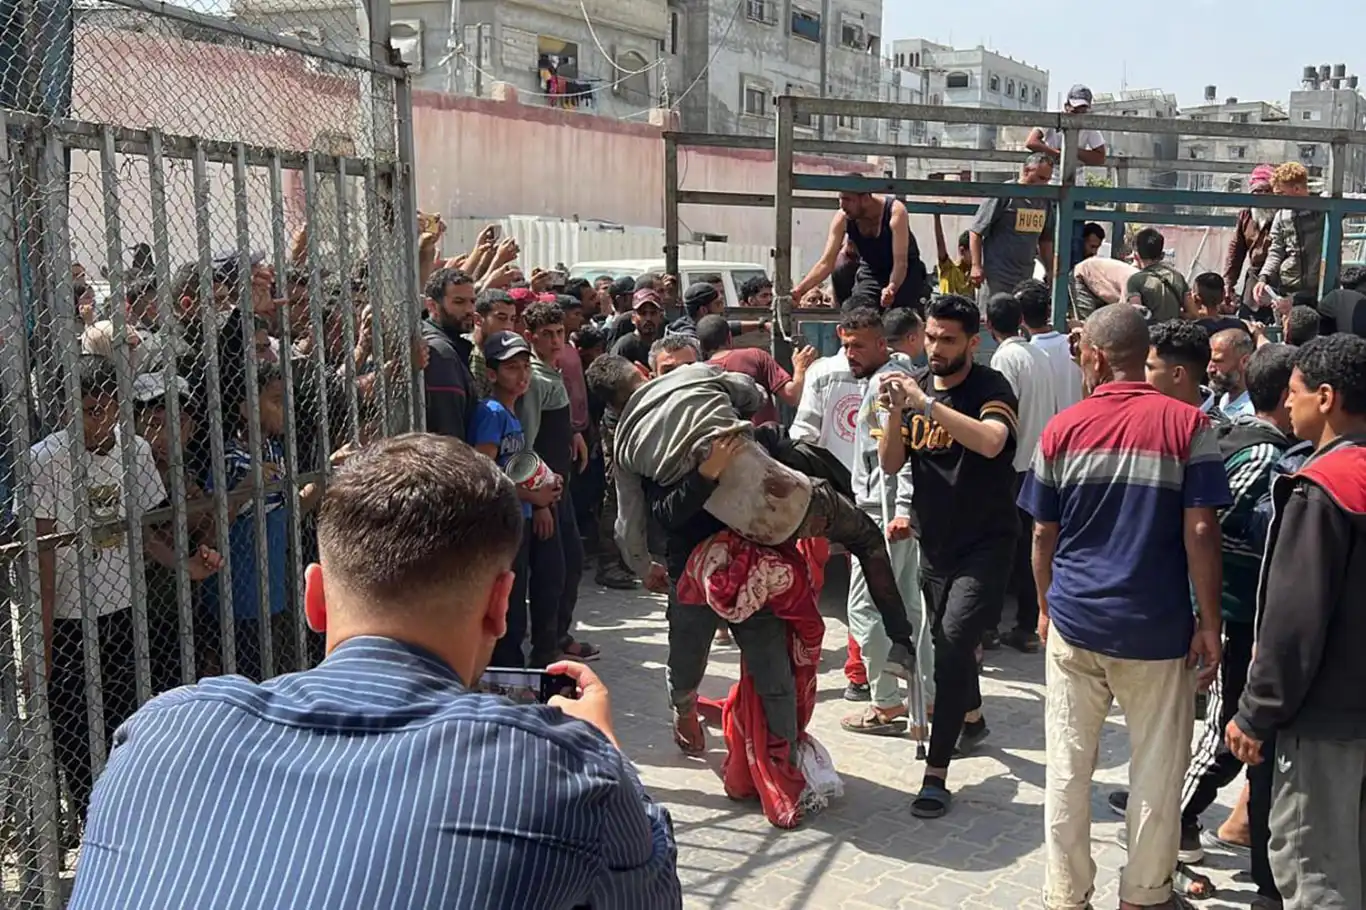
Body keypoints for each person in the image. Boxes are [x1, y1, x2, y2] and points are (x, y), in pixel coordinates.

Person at [69, 434, 683, 909]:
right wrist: (604, 752)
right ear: (500, 605)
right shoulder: (561, 771)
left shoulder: (161, 733)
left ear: (314, 599)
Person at [1019, 304, 1230, 910]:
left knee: (1067, 768)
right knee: (1157, 772)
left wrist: (1045, 606)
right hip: (1156, 629)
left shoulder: (1062, 429)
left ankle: (1066, 895)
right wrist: (1209, 622)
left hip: (1076, 623)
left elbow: (1042, 534)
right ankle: (1142, 894)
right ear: (1145, 356)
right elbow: (1201, 531)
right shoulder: (1189, 425)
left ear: (1094, 354)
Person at [587, 354, 918, 673]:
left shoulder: (625, 449)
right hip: (796, 502)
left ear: (611, 407)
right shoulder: (693, 375)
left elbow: (627, 526)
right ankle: (901, 643)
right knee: (867, 540)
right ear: (641, 370)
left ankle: (692, 695)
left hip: (742, 533)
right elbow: (754, 394)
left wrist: (644, 567)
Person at [1110, 344, 1296, 889]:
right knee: (1225, 727)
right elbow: (1210, 525)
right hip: (1234, 610)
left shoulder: (1233, 436)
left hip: (1229, 608)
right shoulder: (1262, 455)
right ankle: (1170, 817)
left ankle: (1176, 816)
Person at [30, 356, 220, 828]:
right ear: (68, 411)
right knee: (76, 734)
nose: (98, 422)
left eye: (107, 409)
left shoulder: (133, 450)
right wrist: (42, 644)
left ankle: (126, 818)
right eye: (87, 411)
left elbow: (143, 532)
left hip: (123, 609)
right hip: (71, 619)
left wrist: (186, 565)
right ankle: (89, 821)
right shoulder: (47, 460)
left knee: (125, 721)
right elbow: (44, 558)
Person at [1227, 334, 1366, 910]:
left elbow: (1294, 619)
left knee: (1316, 873)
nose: (1286, 403)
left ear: (1326, 398)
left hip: (1326, 719)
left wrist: (1256, 712)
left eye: (1294, 391)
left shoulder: (1323, 488)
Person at [877, 294, 1021, 819]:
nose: (936, 348)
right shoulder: (914, 386)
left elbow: (992, 442)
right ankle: (973, 717)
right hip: (934, 543)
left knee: (955, 641)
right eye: (932, 337)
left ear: (972, 343)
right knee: (947, 642)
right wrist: (896, 411)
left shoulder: (990, 387)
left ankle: (935, 772)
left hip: (988, 543)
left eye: (948, 340)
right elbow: (891, 463)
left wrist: (924, 403)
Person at [834, 308, 927, 736]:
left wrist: (903, 508)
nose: (850, 353)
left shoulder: (885, 385)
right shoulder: (893, 376)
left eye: (858, 346)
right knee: (909, 605)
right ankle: (927, 693)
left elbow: (901, 455)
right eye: (846, 345)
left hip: (883, 512)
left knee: (864, 608)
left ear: (880, 344)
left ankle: (887, 701)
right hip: (887, 508)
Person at [470, 331, 563, 668]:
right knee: (506, 603)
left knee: (519, 594)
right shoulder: (491, 412)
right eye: (511, 368)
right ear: (492, 374)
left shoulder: (510, 414)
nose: (522, 374)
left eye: (525, 366)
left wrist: (544, 481)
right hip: (501, 520)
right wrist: (532, 496)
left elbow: (515, 465)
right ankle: (502, 672)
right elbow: (484, 472)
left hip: (519, 515)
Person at [518, 301, 593, 666]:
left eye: (559, 333)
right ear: (530, 337)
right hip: (544, 494)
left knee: (572, 563)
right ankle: (546, 648)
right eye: (546, 334)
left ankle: (560, 635)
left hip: (559, 490)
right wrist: (540, 503)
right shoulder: (534, 381)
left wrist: (573, 435)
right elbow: (526, 446)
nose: (554, 340)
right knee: (551, 573)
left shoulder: (551, 373)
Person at [985, 292, 1058, 653]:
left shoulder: (1004, 359)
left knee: (999, 550)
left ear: (988, 325)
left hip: (1012, 468)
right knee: (1031, 548)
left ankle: (989, 628)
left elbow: (1002, 414)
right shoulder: (1039, 355)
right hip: (1038, 465)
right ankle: (1026, 626)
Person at [792, 180, 928, 312]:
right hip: (871, 272)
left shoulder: (895, 211)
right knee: (858, 314)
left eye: (847, 199)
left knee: (900, 319)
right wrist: (799, 291)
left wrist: (892, 287)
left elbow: (901, 263)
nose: (842, 205)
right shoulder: (843, 217)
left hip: (905, 274)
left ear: (866, 198)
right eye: (840, 198)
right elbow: (826, 263)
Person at [697, 314, 815, 425]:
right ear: (729, 338)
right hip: (761, 437)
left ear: (701, 346)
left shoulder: (698, 374)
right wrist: (800, 367)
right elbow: (792, 395)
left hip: (723, 439)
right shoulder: (755, 356)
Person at [968, 154, 1056, 300]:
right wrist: (976, 266)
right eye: (1041, 178)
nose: (1044, 184)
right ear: (1026, 171)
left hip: (1025, 278)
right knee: (994, 311)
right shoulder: (1004, 193)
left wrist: (1050, 269)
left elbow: (1045, 240)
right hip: (997, 276)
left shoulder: (1044, 201)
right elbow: (976, 231)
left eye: (1047, 179)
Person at [421, 266, 478, 441]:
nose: (469, 310)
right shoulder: (440, 352)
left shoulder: (450, 344)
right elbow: (448, 431)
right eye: (459, 302)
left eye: (472, 301)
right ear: (432, 306)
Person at [1255, 162, 1324, 305]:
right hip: (1290, 288)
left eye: (1281, 194)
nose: (1279, 200)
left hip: (1320, 287)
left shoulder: (1323, 207)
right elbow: (1276, 251)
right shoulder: (1281, 216)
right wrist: (1264, 277)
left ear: (1297, 189)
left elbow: (1352, 202)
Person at [1016, 279, 1084, 413]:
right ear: (1049, 310)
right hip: (1080, 421)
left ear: (1020, 319)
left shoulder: (1023, 356)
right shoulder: (1076, 346)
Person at [1146, 319, 1228, 423]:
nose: (1141, 375)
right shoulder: (1143, 417)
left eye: (1149, 367)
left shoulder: (1216, 429)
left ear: (1177, 374)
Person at [1224, 164, 1278, 319]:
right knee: (1247, 320)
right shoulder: (1246, 215)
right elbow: (1236, 250)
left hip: (1279, 277)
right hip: (1254, 277)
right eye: (1257, 191)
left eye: (1267, 190)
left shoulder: (1282, 214)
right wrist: (1228, 282)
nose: (1262, 196)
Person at [1125, 228, 1188, 324]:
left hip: (1151, 332)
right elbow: (1193, 314)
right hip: (1175, 331)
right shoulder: (1177, 276)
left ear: (1136, 256)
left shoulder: (1135, 281)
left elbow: (1137, 317)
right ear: (1162, 255)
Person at [467, 288, 518, 401]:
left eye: (512, 319)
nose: (508, 326)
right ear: (478, 320)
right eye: (501, 318)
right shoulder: (464, 351)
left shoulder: (507, 352)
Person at [1069, 255, 1140, 320]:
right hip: (1082, 275)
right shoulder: (1131, 281)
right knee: (1088, 321)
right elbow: (1123, 313)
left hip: (1103, 283)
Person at [1208, 327, 1257, 418]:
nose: (1210, 369)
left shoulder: (1253, 411)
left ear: (1244, 361)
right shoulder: (1225, 400)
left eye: (1218, 361)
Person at [611, 287, 664, 367]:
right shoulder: (625, 346)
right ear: (633, 318)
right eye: (643, 313)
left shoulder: (663, 344)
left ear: (660, 317)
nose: (648, 318)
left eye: (653, 313)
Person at [933, 213, 973, 296]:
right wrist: (937, 217)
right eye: (973, 253)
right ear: (962, 250)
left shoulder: (972, 275)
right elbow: (940, 243)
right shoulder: (949, 268)